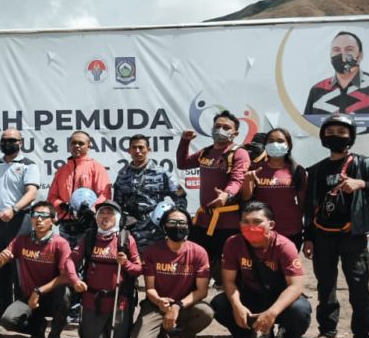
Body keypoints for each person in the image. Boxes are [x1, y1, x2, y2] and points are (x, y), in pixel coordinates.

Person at [302, 113, 369, 338]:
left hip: (353, 237)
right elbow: (310, 208)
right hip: (322, 237)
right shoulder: (316, 170)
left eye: (342, 132)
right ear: (322, 137)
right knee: (325, 287)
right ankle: (327, 333)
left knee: (358, 289)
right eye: (330, 132)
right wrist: (309, 238)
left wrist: (362, 184)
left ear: (351, 136)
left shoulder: (363, 164)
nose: (336, 136)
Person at [210, 201, 311, 338]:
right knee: (219, 304)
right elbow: (229, 281)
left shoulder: (284, 246)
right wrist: (237, 306)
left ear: (271, 224)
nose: (251, 227)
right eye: (245, 221)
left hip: (279, 300)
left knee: (300, 310)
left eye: (257, 222)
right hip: (251, 296)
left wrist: (271, 313)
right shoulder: (233, 243)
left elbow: (296, 286)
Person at [0, 201, 78, 338]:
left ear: (53, 220)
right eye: (35, 215)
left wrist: (39, 291)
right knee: (7, 320)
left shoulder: (61, 243)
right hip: (29, 298)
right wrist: (0, 258)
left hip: (51, 296)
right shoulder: (21, 240)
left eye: (44, 216)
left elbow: (65, 276)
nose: (39, 219)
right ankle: (37, 328)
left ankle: (54, 337)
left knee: (64, 293)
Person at [176, 110, 251, 281]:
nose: (220, 130)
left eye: (226, 127)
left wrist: (226, 195)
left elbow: (238, 179)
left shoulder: (239, 153)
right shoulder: (206, 152)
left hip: (228, 223)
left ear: (235, 133)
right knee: (195, 267)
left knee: (229, 272)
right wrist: (185, 141)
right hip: (203, 221)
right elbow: (183, 163)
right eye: (217, 126)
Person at [130, 207, 213, 338]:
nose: (177, 226)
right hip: (156, 305)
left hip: (184, 305)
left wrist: (177, 306)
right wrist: (159, 301)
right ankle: (161, 334)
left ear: (188, 226)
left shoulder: (199, 252)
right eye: (172, 222)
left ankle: (184, 337)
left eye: (182, 223)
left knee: (206, 312)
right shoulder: (152, 251)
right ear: (164, 226)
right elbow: (150, 289)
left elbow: (202, 291)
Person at [70, 201, 142, 338]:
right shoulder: (89, 237)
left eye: (110, 213)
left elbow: (138, 269)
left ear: (117, 217)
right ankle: (87, 328)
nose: (105, 216)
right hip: (93, 301)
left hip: (118, 302)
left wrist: (126, 263)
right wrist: (75, 280)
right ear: (96, 217)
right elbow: (70, 261)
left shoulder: (126, 239)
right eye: (101, 213)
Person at [0, 128, 40, 320]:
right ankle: (3, 307)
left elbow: (31, 193)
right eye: (4, 140)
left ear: (20, 143)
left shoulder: (28, 165)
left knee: (19, 267)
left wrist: (14, 209)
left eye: (12, 140)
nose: (7, 143)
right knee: (0, 265)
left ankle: (21, 311)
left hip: (19, 220)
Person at [303, 31, 369, 134]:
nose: (342, 54)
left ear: (360, 55)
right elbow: (307, 130)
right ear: (330, 55)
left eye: (349, 49)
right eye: (336, 50)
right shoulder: (317, 90)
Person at [113, 133, 187, 251]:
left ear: (148, 149)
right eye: (134, 147)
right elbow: (117, 204)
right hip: (129, 229)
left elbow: (180, 197)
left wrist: (174, 218)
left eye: (141, 147)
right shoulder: (122, 175)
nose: (138, 151)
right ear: (129, 151)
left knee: (154, 259)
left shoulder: (162, 173)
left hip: (154, 229)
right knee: (131, 260)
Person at [240, 128, 307, 249]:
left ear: (289, 145)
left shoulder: (297, 170)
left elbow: (303, 203)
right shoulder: (255, 168)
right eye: (271, 141)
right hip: (261, 230)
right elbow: (246, 197)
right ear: (265, 145)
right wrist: (248, 181)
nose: (275, 144)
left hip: (291, 230)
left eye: (280, 141)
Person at [47, 131, 111, 248]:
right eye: (73, 143)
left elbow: (105, 194)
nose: (77, 146)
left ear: (89, 146)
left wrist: (92, 210)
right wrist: (62, 205)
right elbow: (52, 197)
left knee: (88, 257)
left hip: (89, 223)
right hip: (66, 225)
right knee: (66, 257)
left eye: (81, 143)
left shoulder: (96, 167)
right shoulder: (62, 171)